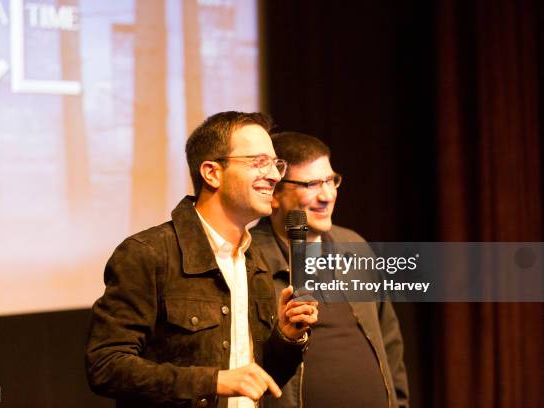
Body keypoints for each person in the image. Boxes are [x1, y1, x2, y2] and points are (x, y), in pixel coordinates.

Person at [86, 112, 319, 408]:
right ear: (211, 173)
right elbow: (105, 366)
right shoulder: (149, 253)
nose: (274, 175)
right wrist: (214, 380)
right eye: (259, 162)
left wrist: (286, 338)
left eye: (276, 164)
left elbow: (259, 379)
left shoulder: (253, 260)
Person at [251, 132, 409, 408]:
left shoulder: (354, 244)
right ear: (274, 193)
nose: (327, 195)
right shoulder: (250, 258)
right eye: (311, 184)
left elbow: (390, 342)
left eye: (330, 180)